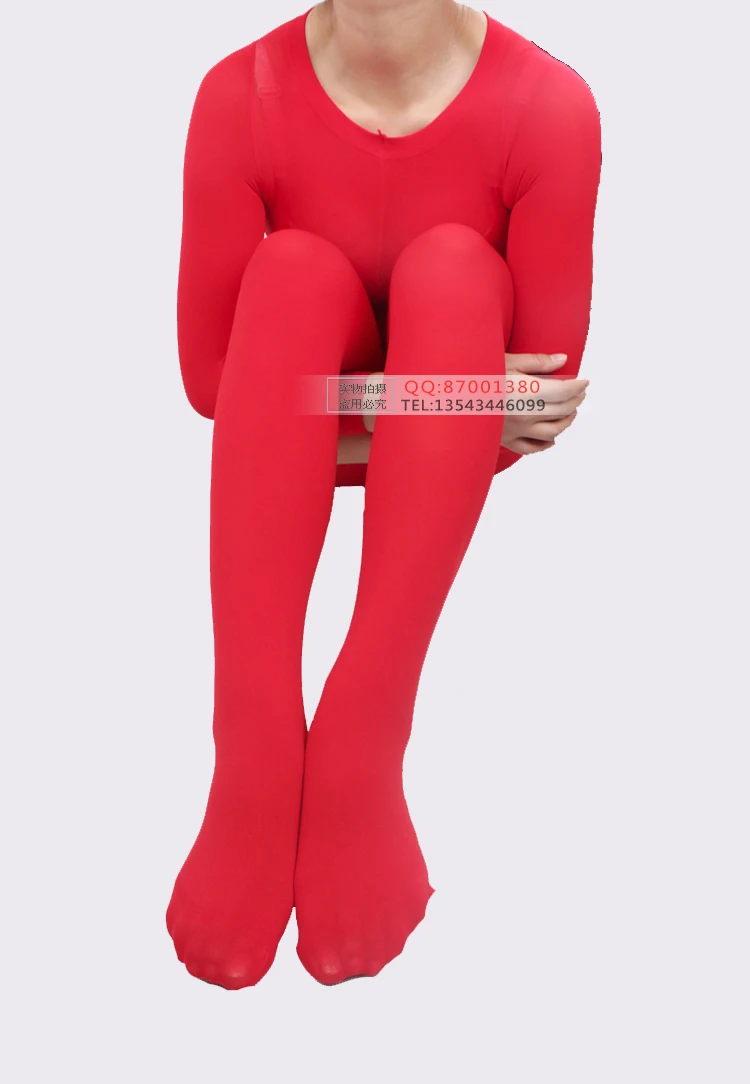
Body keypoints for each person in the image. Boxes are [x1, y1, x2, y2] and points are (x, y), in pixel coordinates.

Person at [167, 0, 601, 989]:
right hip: (292, 432)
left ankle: (363, 740)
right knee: (289, 270)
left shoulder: (549, 108)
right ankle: (253, 752)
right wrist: (446, 394)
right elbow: (210, 383)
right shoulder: (238, 96)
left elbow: (541, 404)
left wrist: (300, 396)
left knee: (453, 269)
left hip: (343, 438)